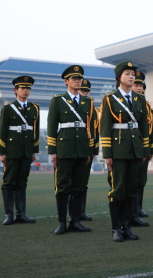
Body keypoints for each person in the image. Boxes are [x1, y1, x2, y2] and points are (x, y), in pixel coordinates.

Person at [99, 61, 150, 242]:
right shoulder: (110, 98)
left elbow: (144, 127)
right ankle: (116, 228)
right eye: (127, 73)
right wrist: (107, 154)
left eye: (133, 74)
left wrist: (145, 150)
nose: (131, 77)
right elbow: (105, 127)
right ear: (119, 77)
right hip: (118, 149)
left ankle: (126, 227)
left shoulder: (139, 99)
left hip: (135, 149)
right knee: (118, 189)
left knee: (131, 190)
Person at [47, 65, 97, 235]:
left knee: (79, 186)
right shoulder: (58, 100)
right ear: (66, 81)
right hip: (65, 148)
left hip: (82, 148)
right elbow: (52, 126)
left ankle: (75, 221)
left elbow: (91, 128)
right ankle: (62, 222)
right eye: (74, 78)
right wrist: (53, 151)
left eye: (79, 78)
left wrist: (90, 150)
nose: (78, 81)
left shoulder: (88, 102)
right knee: (62, 186)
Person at [0, 75, 39, 225]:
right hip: (12, 150)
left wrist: (34, 150)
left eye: (28, 88)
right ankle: (9, 215)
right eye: (23, 88)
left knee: (22, 182)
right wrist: (2, 152)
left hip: (26, 150)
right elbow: (2, 131)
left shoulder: (34, 108)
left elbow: (35, 131)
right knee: (9, 182)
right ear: (16, 90)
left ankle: (21, 214)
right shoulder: (8, 108)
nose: (26, 90)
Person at [131, 71, 153, 227]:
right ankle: (130, 211)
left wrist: (150, 149)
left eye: (141, 85)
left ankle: (138, 208)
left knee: (141, 180)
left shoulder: (147, 106)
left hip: (143, 147)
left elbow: (150, 130)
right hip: (129, 146)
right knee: (130, 181)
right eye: (136, 85)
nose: (139, 88)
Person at [78, 78, 98, 222]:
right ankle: (72, 212)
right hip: (71, 149)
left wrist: (94, 151)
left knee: (83, 182)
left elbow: (96, 131)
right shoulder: (69, 105)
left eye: (87, 91)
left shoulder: (93, 110)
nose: (85, 93)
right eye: (82, 91)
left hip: (87, 150)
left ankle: (81, 211)